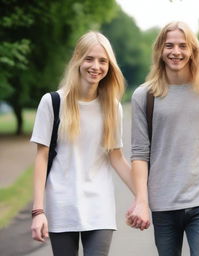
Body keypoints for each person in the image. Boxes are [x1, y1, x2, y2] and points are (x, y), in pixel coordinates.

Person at [127, 21, 199, 256]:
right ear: (160, 51)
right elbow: (140, 154)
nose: (176, 52)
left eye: (183, 46)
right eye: (169, 46)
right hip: (163, 203)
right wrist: (141, 202)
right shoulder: (144, 96)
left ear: (193, 51)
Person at [30, 31, 134, 256]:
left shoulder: (112, 107)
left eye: (102, 61)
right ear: (77, 60)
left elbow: (116, 157)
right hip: (61, 204)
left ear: (109, 66)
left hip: (100, 207)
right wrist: (38, 211)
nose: (95, 66)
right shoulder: (52, 102)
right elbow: (41, 157)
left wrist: (144, 198)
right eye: (89, 58)